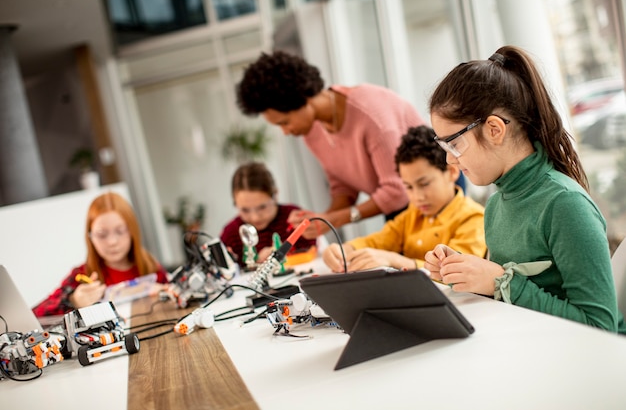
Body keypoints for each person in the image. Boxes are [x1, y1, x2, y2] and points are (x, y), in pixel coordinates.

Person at [425, 45, 626, 334]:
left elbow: (600, 327)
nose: (448, 159)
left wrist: (501, 282)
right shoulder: (497, 205)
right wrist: (463, 272)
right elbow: (511, 301)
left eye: (453, 144)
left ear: (495, 129)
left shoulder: (565, 204)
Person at [236, 50, 431, 240]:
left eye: (284, 122)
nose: (285, 132)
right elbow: (343, 188)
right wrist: (321, 220)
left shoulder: (372, 116)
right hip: (399, 210)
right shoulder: (312, 131)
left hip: (435, 201)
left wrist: (334, 220)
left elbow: (398, 191)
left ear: (303, 99)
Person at [323, 125, 486, 273]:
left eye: (424, 184)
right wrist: (345, 249)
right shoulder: (412, 215)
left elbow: (455, 271)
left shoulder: (473, 218)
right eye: (408, 187)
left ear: (451, 172)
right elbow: (379, 240)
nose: (417, 197)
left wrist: (395, 260)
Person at [32, 192, 168, 317]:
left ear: (132, 231)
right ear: (90, 237)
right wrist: (72, 301)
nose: (112, 242)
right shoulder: (81, 276)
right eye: (102, 234)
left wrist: (166, 295)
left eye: (120, 231)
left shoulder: (151, 268)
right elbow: (35, 315)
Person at [220, 162, 316, 267]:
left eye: (262, 207)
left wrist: (282, 256)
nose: (255, 217)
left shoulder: (293, 218)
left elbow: (312, 251)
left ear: (275, 195)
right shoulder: (231, 235)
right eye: (245, 210)